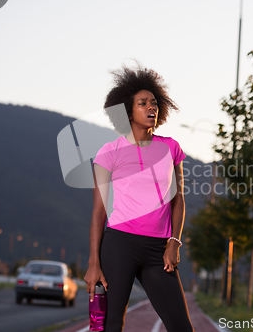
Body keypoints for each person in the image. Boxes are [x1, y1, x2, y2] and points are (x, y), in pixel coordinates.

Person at [84, 64, 194, 332]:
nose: (151, 108)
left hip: (159, 250)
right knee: (111, 324)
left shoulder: (171, 147)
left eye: (154, 103)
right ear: (127, 110)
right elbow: (99, 212)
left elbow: (178, 199)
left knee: (182, 327)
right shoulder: (109, 153)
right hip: (120, 244)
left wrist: (174, 242)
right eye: (143, 103)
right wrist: (93, 263)